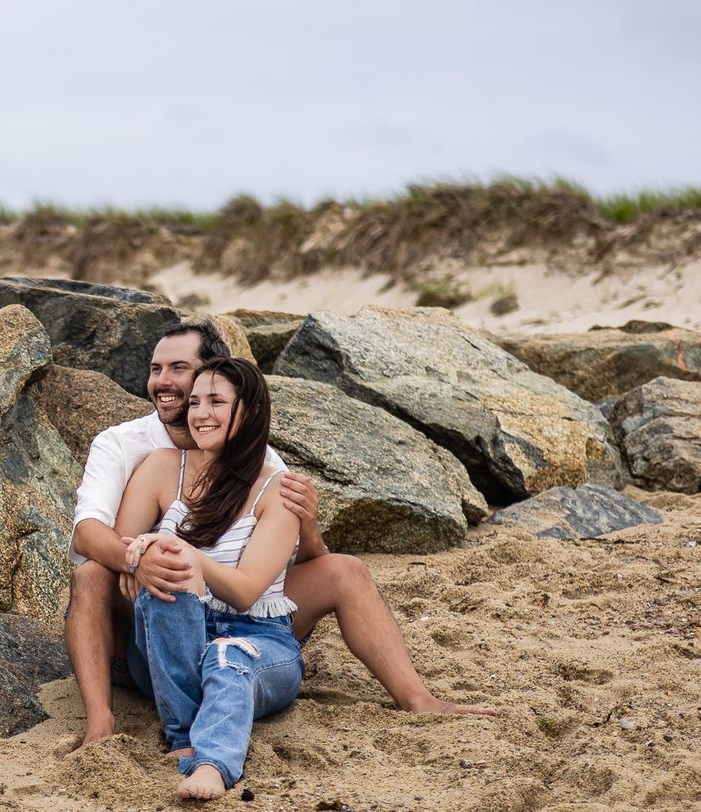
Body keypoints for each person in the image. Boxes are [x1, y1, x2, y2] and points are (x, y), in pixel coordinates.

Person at [65, 321, 492, 750]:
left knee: (345, 571)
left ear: (216, 374)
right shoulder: (130, 446)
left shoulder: (261, 461)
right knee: (91, 574)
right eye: (156, 369)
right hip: (164, 607)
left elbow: (277, 569)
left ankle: (417, 698)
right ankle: (101, 722)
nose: (163, 381)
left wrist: (309, 528)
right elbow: (88, 535)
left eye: (179, 368)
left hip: (241, 607)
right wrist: (139, 558)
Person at [115, 358, 300, 800]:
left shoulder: (279, 489)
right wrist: (141, 555)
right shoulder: (163, 466)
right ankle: (184, 735)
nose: (200, 414)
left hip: (258, 639)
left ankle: (212, 764)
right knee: (167, 571)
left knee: (226, 656)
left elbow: (246, 591)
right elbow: (121, 543)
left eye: (216, 401)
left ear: (250, 411)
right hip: (170, 641)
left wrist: (190, 555)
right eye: (195, 402)